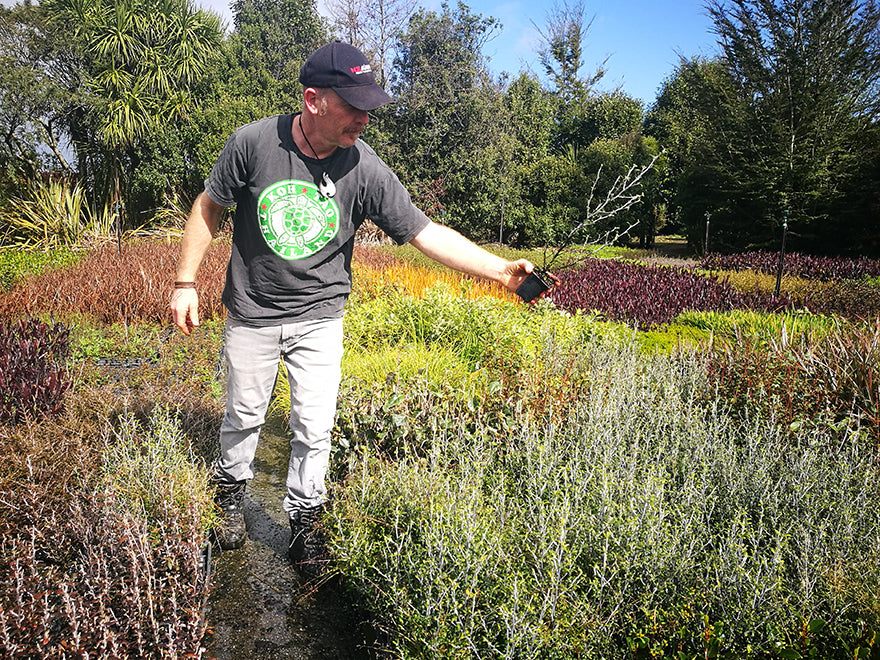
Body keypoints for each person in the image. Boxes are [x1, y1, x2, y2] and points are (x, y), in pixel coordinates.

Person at [170, 41, 538, 578]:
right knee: (244, 416)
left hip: (320, 315)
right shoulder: (252, 143)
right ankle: (228, 498)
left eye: (369, 106)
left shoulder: (364, 166)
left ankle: (305, 521)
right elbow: (210, 206)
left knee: (314, 427)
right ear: (313, 99)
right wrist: (185, 282)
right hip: (252, 310)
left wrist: (500, 271)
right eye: (353, 106)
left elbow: (424, 232)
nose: (364, 118)